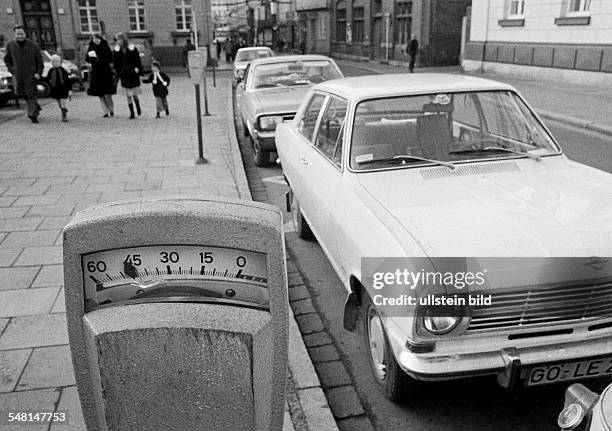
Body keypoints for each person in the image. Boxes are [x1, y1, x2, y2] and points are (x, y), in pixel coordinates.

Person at [3, 24, 44, 123]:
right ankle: (35, 106)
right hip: (18, 75)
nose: (19, 36)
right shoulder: (10, 45)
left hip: (31, 75)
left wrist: (38, 73)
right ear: (15, 34)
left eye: (21, 34)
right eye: (17, 34)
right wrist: (12, 69)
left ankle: (32, 115)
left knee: (31, 95)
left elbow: (40, 62)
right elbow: (7, 59)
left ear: (25, 34)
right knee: (21, 94)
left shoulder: (34, 46)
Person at [113, 32, 143, 119]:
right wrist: (119, 72)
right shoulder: (117, 50)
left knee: (134, 94)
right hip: (124, 74)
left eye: (119, 39)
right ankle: (132, 112)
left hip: (132, 73)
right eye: (117, 40)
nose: (118, 41)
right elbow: (116, 63)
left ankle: (137, 104)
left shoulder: (132, 49)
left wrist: (137, 69)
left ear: (123, 39)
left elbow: (138, 60)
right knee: (128, 95)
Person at [85, 33, 116, 117]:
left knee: (108, 92)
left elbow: (110, 58)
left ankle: (111, 109)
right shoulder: (91, 47)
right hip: (96, 73)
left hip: (105, 72)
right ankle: (105, 111)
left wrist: (100, 59)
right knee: (100, 93)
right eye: (94, 39)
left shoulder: (105, 47)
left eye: (97, 39)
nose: (96, 40)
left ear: (100, 39)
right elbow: (87, 58)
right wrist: (93, 59)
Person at [44, 54, 72, 122]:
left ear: (60, 62)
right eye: (53, 62)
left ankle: (64, 116)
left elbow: (68, 81)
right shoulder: (51, 70)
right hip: (55, 89)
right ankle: (64, 110)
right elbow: (47, 78)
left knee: (63, 102)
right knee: (59, 102)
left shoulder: (62, 70)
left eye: (57, 61)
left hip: (63, 88)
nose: (55, 63)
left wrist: (70, 90)